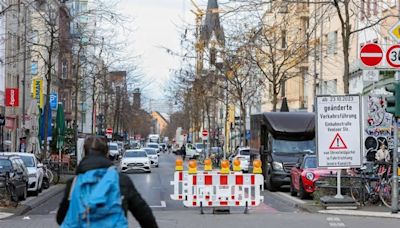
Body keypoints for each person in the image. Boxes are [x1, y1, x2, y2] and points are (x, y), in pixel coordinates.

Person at [56, 135, 158, 228]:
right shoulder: (121, 181)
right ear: (107, 153)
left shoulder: (74, 183)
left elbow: (61, 218)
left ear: (85, 153)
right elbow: (144, 215)